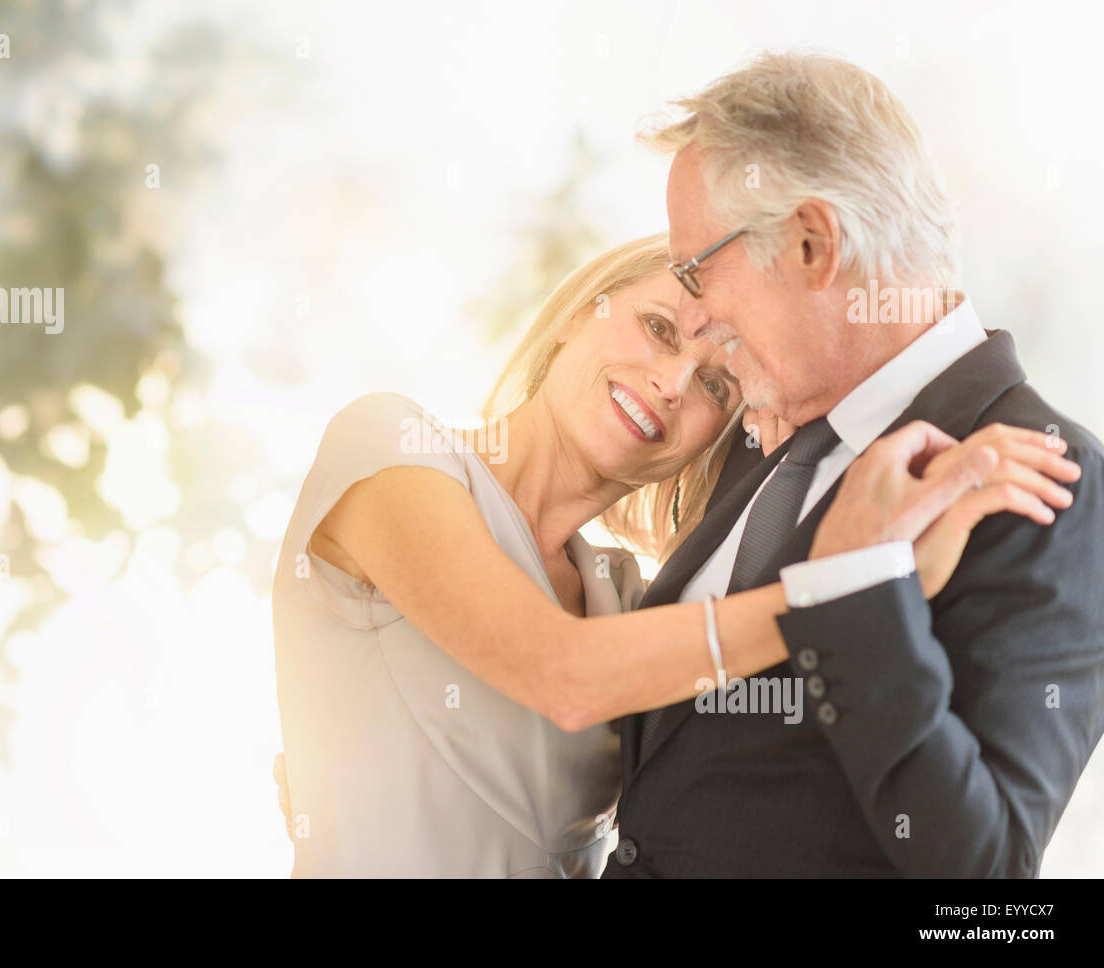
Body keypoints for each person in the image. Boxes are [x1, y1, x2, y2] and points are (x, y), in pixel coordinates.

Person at [270, 234, 1077, 877]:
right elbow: (561, 673)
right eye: (658, 330)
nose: (670, 384)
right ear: (575, 314)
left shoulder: (626, 600)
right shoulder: (391, 449)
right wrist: (854, 588)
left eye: (716, 388)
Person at [605, 49, 1104, 878]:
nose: (690, 315)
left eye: (697, 270)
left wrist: (857, 588)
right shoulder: (768, 427)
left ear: (812, 243)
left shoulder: (1052, 478)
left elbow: (985, 880)